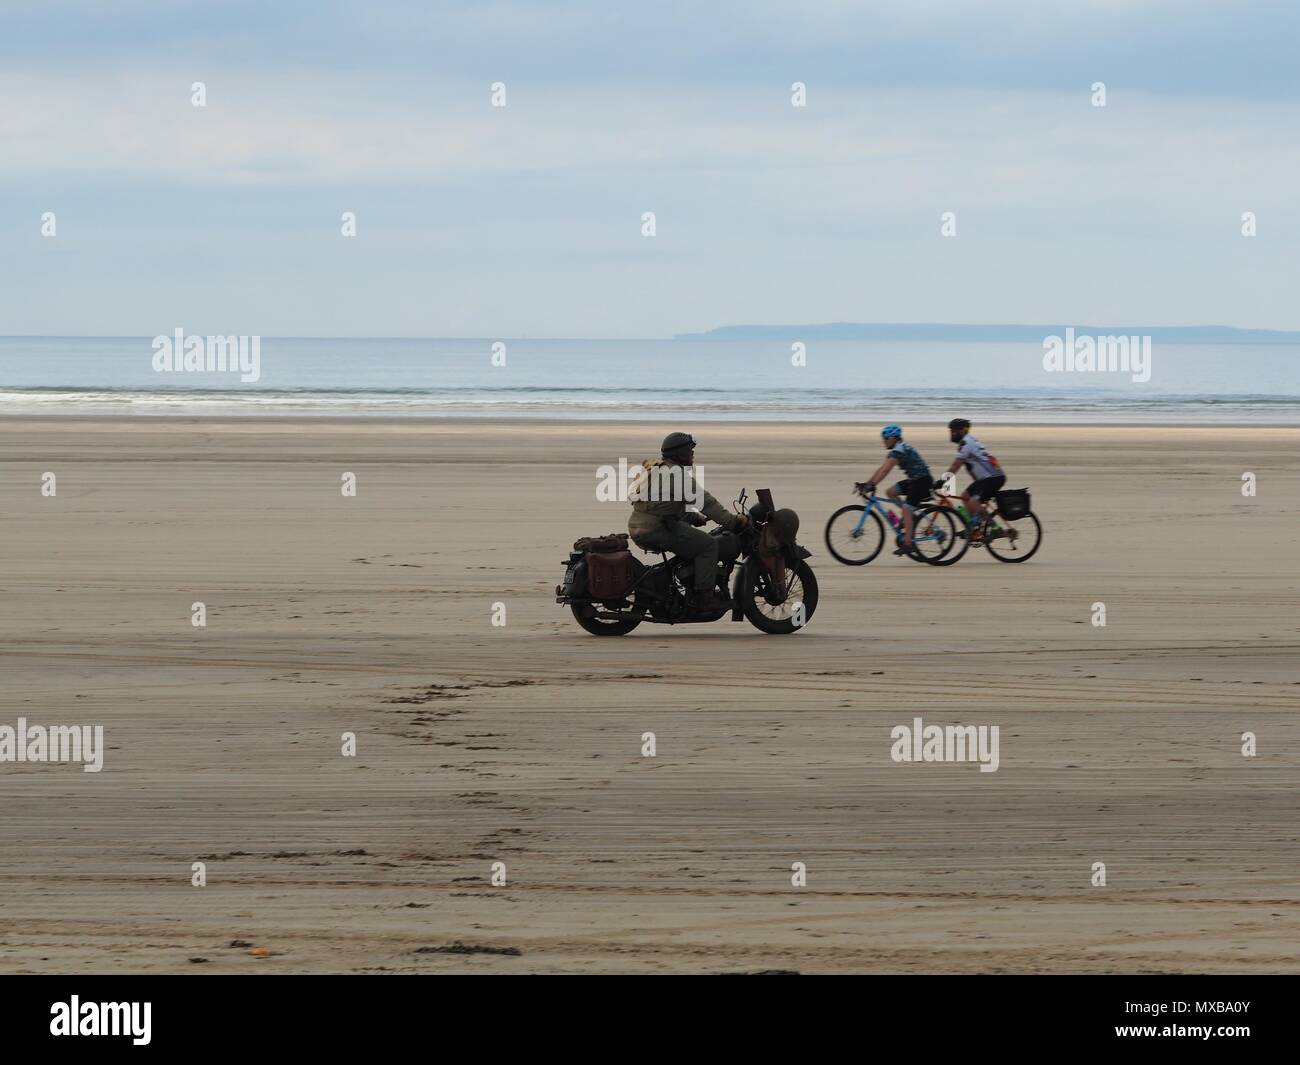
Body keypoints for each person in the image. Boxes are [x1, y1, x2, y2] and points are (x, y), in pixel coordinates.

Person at [627, 432, 747, 610]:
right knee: (708, 545)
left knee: (690, 538)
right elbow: (706, 502)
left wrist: (693, 518)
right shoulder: (677, 475)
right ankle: (703, 597)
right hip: (656, 529)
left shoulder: (654, 468)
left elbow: (662, 503)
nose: (692, 454)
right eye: (689, 450)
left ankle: (683, 582)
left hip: (637, 526)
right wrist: (731, 521)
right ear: (680, 453)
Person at [857, 424, 932, 553]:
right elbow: (881, 468)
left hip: (922, 481)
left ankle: (909, 544)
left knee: (907, 509)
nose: (883, 441)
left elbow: (886, 471)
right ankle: (911, 516)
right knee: (890, 492)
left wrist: (873, 484)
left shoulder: (899, 450)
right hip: (914, 480)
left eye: (885, 438)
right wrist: (868, 483)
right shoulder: (896, 449)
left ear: (893, 438)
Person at [942, 418, 1005, 536]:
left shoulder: (966, 443)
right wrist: (977, 486)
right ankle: (973, 528)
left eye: (953, 431)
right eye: (950, 431)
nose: (951, 434)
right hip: (986, 479)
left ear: (961, 431)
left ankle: (995, 528)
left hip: (994, 478)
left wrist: (943, 480)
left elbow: (956, 465)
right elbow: (970, 468)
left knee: (973, 502)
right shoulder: (967, 442)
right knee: (965, 496)